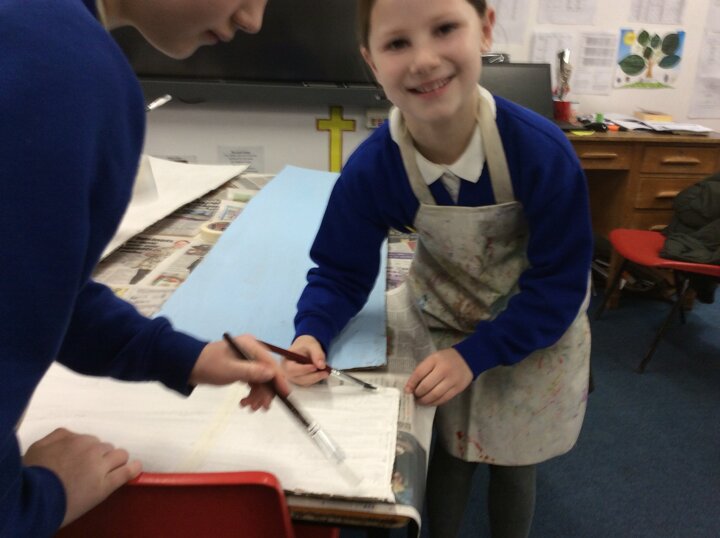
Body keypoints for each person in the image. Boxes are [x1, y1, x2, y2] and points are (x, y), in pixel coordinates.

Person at [286, 0, 593, 536]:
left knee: (514, 461)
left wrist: (478, 355)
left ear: (485, 30)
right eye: (397, 43)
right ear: (371, 61)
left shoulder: (541, 153)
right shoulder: (375, 168)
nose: (424, 60)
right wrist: (312, 331)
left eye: (445, 29)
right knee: (449, 453)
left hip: (533, 329)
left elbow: (559, 285)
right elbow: (340, 271)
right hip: (444, 320)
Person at [0, 0, 285, 536]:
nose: (253, 20)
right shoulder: (70, 71)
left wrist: (184, 356)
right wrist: (43, 499)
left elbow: (41, 287)